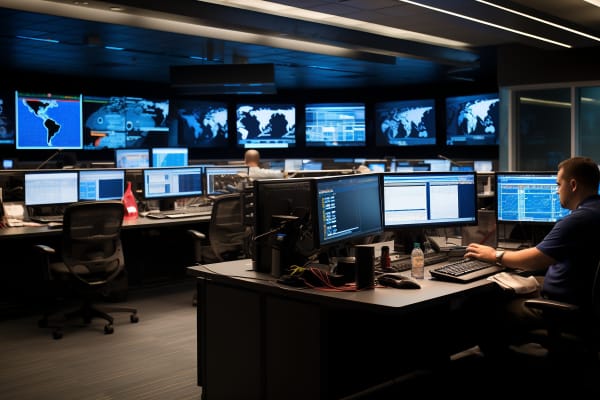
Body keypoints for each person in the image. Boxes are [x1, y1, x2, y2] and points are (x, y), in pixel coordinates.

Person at [464, 156, 600, 357]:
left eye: (558, 184)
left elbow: (534, 260)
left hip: (563, 308)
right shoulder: (594, 211)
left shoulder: (577, 220)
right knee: (501, 288)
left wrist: (495, 254)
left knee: (488, 308)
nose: (556, 190)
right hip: (579, 297)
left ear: (572, 185)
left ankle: (496, 366)